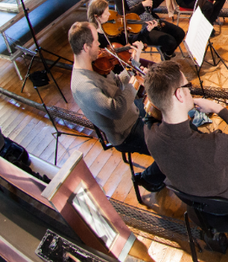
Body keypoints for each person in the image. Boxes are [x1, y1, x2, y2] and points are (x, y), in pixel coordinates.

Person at [144, 61, 228, 217]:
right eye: (187, 87)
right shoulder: (213, 145)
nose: (190, 91)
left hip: (193, 199)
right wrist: (217, 108)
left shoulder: (149, 134)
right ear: (179, 95)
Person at [68, 21, 166, 192]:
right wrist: (134, 83)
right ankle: (148, 178)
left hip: (133, 112)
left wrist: (133, 66)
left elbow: (116, 82)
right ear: (85, 47)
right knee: (168, 149)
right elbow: (116, 110)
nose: (100, 44)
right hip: (126, 132)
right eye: (96, 41)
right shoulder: (82, 84)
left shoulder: (95, 65)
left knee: (165, 111)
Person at [112, 0, 185, 60]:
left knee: (180, 33)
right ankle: (167, 57)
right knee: (170, 41)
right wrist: (142, 5)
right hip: (139, 29)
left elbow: (151, 5)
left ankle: (167, 54)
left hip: (151, 20)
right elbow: (124, 16)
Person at [86, 0, 146, 65]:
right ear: (97, 17)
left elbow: (126, 43)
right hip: (115, 65)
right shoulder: (94, 37)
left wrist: (125, 35)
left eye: (108, 11)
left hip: (126, 59)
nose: (109, 14)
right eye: (106, 13)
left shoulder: (114, 27)